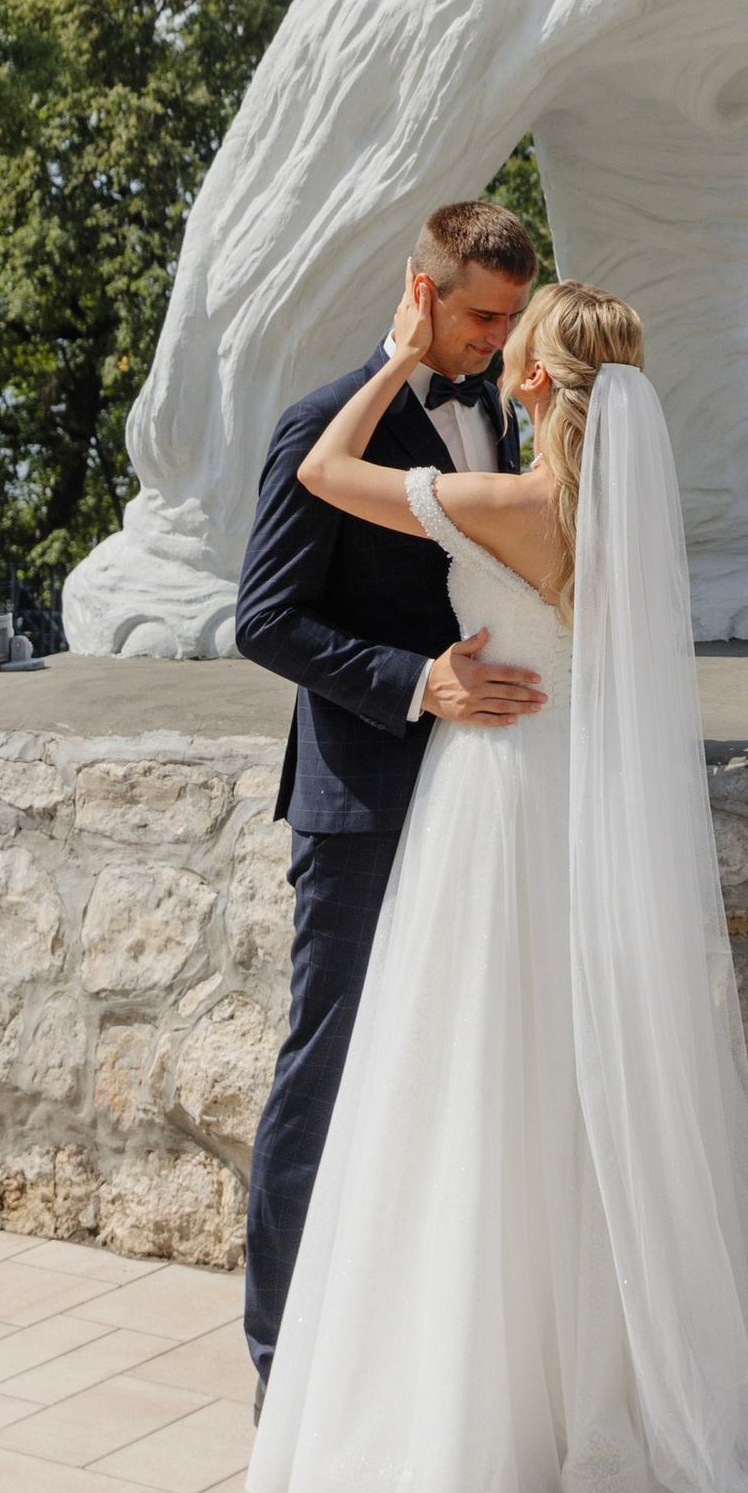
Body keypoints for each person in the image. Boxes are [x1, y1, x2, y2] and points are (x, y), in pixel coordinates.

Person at [244, 276, 748, 1493]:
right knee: (578, 1096)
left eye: (511, 345)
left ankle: (478, 1412)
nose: (494, 357)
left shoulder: (507, 501)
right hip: (578, 804)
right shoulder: (616, 516)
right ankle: (599, 1404)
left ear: (535, 379)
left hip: (492, 800)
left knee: (469, 1085)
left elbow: (322, 467)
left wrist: (393, 359)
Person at [233, 198, 547, 1408]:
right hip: (363, 799)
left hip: (482, 805)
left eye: (513, 319)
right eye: (480, 315)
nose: (497, 341)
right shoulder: (323, 423)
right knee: (327, 1066)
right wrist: (419, 682)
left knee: (448, 1071)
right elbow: (264, 619)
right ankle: (280, 1362)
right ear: (421, 292)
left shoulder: (501, 428)